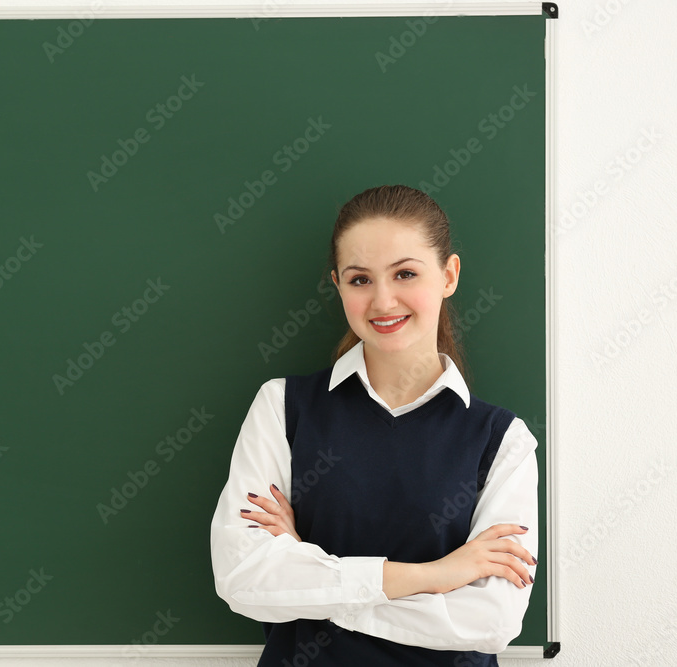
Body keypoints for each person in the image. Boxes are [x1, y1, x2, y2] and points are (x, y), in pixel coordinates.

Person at [209, 184, 539, 666]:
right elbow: (243, 578)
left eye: (405, 273)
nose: (383, 301)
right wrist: (434, 575)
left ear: (449, 275)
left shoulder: (502, 440)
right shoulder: (282, 407)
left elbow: (491, 621)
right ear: (338, 285)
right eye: (360, 279)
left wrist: (314, 577)